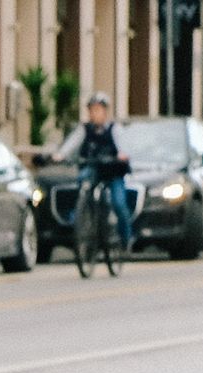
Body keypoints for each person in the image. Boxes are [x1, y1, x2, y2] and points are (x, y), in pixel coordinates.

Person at [70, 92, 133, 257]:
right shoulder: (85, 129)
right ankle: (83, 215)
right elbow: (71, 144)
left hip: (113, 171)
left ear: (105, 112)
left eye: (98, 110)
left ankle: (125, 239)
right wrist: (58, 155)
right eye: (91, 110)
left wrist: (122, 155)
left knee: (119, 203)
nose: (94, 114)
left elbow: (123, 147)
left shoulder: (114, 129)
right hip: (95, 169)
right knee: (81, 179)